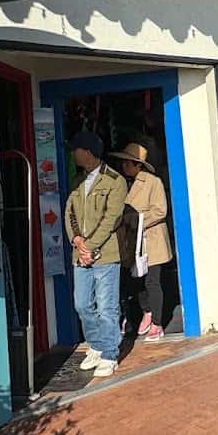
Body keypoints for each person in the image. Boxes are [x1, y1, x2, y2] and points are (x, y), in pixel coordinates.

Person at [64, 131, 127, 377]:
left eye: (76, 150)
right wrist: (77, 240)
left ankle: (110, 353)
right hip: (81, 254)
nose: (73, 154)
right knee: (81, 303)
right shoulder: (77, 181)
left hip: (106, 254)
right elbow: (69, 212)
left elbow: (111, 218)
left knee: (107, 306)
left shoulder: (115, 181)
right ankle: (96, 346)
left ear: (87, 152)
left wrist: (89, 246)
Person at [109, 143, 173, 342]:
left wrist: (136, 219)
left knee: (152, 281)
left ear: (137, 164)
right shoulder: (124, 183)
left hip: (151, 240)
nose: (123, 166)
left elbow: (160, 210)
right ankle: (146, 311)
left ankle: (157, 323)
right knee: (135, 281)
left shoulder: (152, 182)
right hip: (132, 242)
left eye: (126, 162)